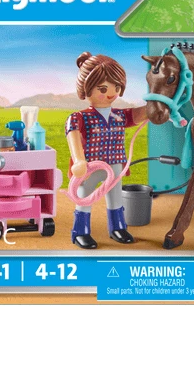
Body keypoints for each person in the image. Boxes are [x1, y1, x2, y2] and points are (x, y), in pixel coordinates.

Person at [65, 52, 149, 249]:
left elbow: (141, 113)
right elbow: (73, 135)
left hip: (115, 163)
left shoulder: (120, 115)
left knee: (115, 196)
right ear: (86, 88)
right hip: (90, 166)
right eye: (103, 89)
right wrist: (79, 160)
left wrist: (159, 105)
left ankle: (117, 227)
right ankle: (80, 231)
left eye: (116, 87)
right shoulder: (79, 117)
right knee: (85, 196)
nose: (111, 93)